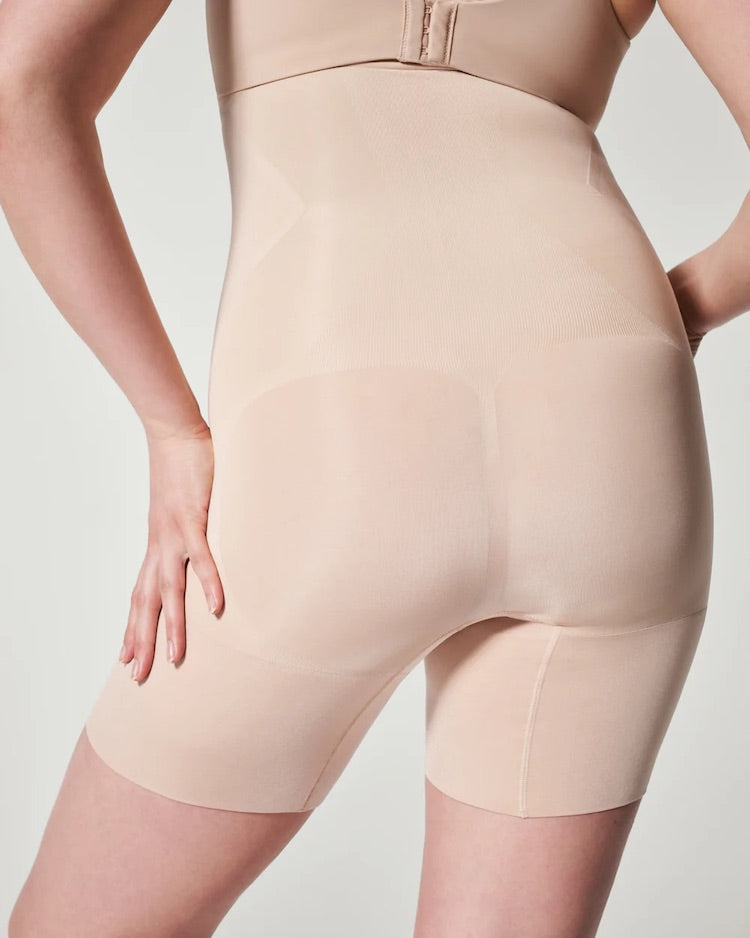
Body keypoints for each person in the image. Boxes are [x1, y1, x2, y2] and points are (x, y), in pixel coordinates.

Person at [2, 0, 747, 935]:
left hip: (339, 427)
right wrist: (680, 308)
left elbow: (18, 84)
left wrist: (170, 426)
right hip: (615, 418)